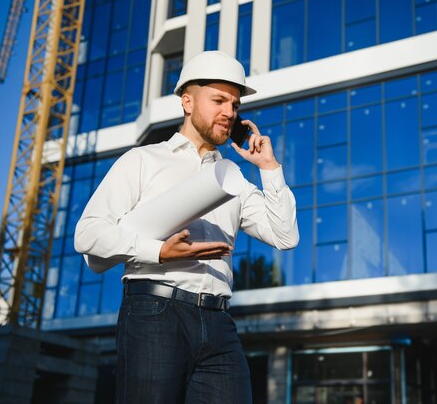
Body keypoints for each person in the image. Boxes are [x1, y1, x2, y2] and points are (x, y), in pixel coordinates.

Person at [74, 51, 299, 403]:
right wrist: (158, 252)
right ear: (187, 102)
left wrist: (269, 168)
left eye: (235, 105)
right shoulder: (143, 160)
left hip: (220, 322)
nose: (230, 112)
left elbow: (285, 236)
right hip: (155, 313)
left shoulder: (234, 178)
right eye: (219, 100)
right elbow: (87, 234)